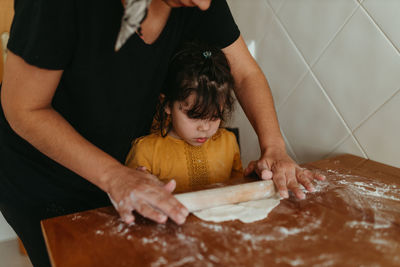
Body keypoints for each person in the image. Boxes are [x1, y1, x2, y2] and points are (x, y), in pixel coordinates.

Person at [0, 0, 324, 266]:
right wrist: (114, 177)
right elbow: (25, 110)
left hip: (123, 163)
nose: (204, 3)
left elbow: (245, 72)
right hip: (40, 171)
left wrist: (274, 147)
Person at [125, 42, 243, 193]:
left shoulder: (228, 143)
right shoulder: (145, 151)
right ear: (167, 104)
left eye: (214, 117)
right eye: (195, 116)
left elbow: (238, 191)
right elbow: (133, 197)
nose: (205, 127)